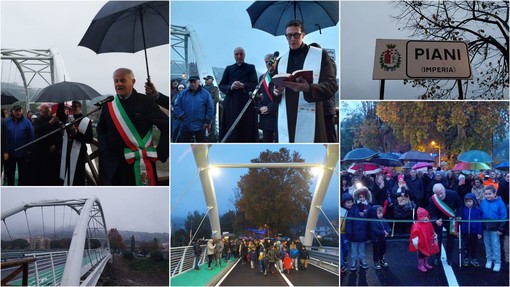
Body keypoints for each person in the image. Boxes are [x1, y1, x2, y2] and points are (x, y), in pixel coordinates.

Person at [96, 68, 169, 186]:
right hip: (113, 166)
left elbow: (167, 126)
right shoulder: (108, 105)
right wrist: (104, 149)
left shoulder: (146, 102)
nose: (119, 84)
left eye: (123, 80)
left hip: (139, 163)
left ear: (133, 82)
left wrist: (161, 152)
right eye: (116, 81)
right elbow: (101, 130)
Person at [272, 20, 338, 143]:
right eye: (289, 36)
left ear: (303, 35)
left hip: (312, 119)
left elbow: (332, 86)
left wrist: (308, 88)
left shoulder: (320, 55)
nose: (292, 39)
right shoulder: (281, 61)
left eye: (296, 35)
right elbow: (273, 89)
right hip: (286, 118)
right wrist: (276, 91)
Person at [218, 47, 258, 142]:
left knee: (246, 130)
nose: (239, 56)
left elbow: (255, 84)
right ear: (234, 56)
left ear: (244, 55)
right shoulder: (229, 69)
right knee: (231, 129)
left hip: (246, 104)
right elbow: (221, 86)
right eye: (237, 54)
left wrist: (243, 85)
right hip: (231, 104)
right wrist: (231, 87)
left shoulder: (250, 67)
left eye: (241, 54)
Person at [59, 101, 93, 186]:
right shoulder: (68, 118)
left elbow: (89, 139)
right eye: (72, 106)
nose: (73, 108)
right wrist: (61, 101)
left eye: (75, 106)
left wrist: (76, 134)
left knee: (78, 176)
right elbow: (59, 114)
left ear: (80, 108)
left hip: (79, 152)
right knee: (66, 173)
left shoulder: (86, 121)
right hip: (67, 149)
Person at [428, 183, 463, 266]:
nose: (440, 196)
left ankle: (449, 257)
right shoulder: (432, 199)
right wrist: (435, 220)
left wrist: (459, 215)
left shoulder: (453, 194)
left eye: (441, 193)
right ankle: (437, 257)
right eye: (437, 194)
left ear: (444, 190)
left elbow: (460, 205)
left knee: (451, 238)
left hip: (451, 218)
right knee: (438, 239)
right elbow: (432, 213)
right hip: (439, 219)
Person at [172, 76, 214, 143]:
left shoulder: (205, 93)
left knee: (201, 147)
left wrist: (207, 121)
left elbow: (210, 108)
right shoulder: (183, 93)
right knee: (184, 145)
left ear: (199, 82)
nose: (193, 84)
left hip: (200, 126)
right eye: (191, 82)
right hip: (186, 125)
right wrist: (181, 116)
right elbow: (176, 105)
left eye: (195, 82)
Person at [4, 105, 34, 185]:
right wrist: (5, 150)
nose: (18, 112)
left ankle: (21, 192)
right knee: (10, 174)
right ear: (12, 111)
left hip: (23, 153)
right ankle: (10, 190)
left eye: (19, 110)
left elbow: (31, 137)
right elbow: (4, 137)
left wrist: (29, 150)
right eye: (16, 111)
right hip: (10, 152)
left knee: (23, 175)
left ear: (22, 111)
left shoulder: (27, 122)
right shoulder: (7, 122)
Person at [32, 103, 61, 185]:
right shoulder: (37, 120)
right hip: (42, 150)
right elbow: (39, 130)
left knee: (53, 171)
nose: (48, 109)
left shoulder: (54, 119)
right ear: (40, 110)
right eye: (45, 108)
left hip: (53, 149)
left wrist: (55, 145)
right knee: (43, 172)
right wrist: (50, 123)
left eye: (48, 108)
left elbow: (58, 134)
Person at [479, 185, 507, 272]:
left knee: (496, 245)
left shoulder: (500, 203)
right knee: (487, 245)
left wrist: (501, 229)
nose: (488, 196)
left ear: (495, 194)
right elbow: (480, 214)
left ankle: (497, 262)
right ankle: (489, 259)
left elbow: (504, 216)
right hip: (485, 228)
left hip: (495, 229)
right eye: (486, 194)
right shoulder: (483, 202)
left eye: (490, 194)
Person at [346, 187, 372, 270]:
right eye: (360, 197)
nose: (361, 199)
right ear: (357, 197)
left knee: (362, 247)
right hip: (354, 232)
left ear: (366, 197)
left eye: (363, 197)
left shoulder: (368, 207)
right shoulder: (354, 207)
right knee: (354, 248)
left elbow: (370, 221)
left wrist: (369, 232)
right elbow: (349, 220)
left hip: (363, 232)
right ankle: (354, 261)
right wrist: (349, 231)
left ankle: (362, 260)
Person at [409, 207, 440, 272]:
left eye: (426, 216)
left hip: (427, 242)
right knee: (422, 255)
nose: (426, 218)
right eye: (424, 216)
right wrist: (415, 242)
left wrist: (434, 235)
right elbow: (414, 234)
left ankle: (426, 263)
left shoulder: (429, 223)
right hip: (421, 243)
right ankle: (420, 265)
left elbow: (432, 231)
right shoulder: (417, 225)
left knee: (427, 253)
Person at [257, 53, 278, 142]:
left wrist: (270, 107)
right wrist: (260, 107)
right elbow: (259, 96)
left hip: (278, 114)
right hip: (266, 116)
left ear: (275, 61)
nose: (268, 64)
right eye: (266, 62)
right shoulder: (262, 77)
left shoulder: (281, 74)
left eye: (270, 62)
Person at [460, 193, 483, 267]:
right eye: (466, 201)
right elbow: (459, 221)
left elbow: (479, 222)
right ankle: (465, 258)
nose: (468, 203)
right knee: (465, 246)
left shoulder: (477, 210)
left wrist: (480, 232)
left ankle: (473, 258)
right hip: (465, 232)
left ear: (474, 201)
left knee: (474, 246)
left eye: (470, 201)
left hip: (474, 232)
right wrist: (458, 231)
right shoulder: (463, 210)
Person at [370, 205, 391, 269]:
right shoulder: (373, 221)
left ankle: (382, 259)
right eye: (379, 213)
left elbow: (388, 227)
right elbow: (375, 231)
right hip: (376, 239)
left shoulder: (383, 219)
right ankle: (376, 261)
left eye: (381, 213)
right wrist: (383, 232)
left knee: (383, 250)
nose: (381, 215)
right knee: (376, 251)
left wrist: (388, 231)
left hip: (383, 238)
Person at [202, 75, 220, 142]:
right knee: (202, 127)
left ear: (211, 80)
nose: (205, 81)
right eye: (205, 79)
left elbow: (217, 98)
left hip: (212, 111)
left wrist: (209, 103)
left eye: (207, 79)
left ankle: (211, 141)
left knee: (212, 127)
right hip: (202, 111)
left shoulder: (215, 89)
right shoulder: (202, 88)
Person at [341, 192, 353, 273]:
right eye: (348, 202)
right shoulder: (342, 211)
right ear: (344, 203)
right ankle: (342, 265)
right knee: (342, 248)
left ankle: (344, 260)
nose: (350, 204)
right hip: (342, 233)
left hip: (347, 233)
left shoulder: (352, 211)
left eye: (351, 202)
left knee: (345, 249)